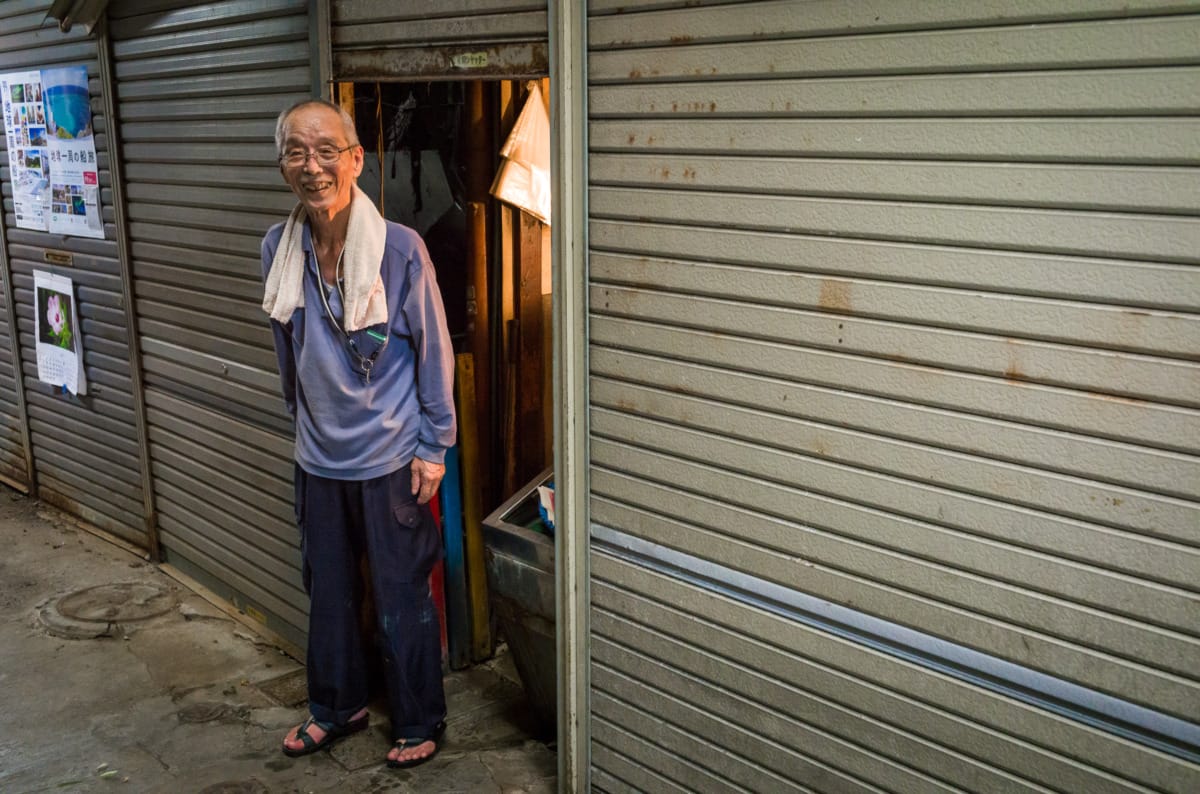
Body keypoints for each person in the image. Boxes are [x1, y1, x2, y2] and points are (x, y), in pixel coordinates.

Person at [261, 98, 456, 769]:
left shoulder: (399, 249)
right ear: (282, 161)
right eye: (295, 150)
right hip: (318, 456)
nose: (310, 166)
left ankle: (419, 718)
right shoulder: (277, 248)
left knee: (403, 594)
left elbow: (434, 350)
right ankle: (336, 706)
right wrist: (300, 429)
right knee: (330, 591)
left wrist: (435, 445)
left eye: (324, 150)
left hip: (390, 455)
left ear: (355, 159)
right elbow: (288, 351)